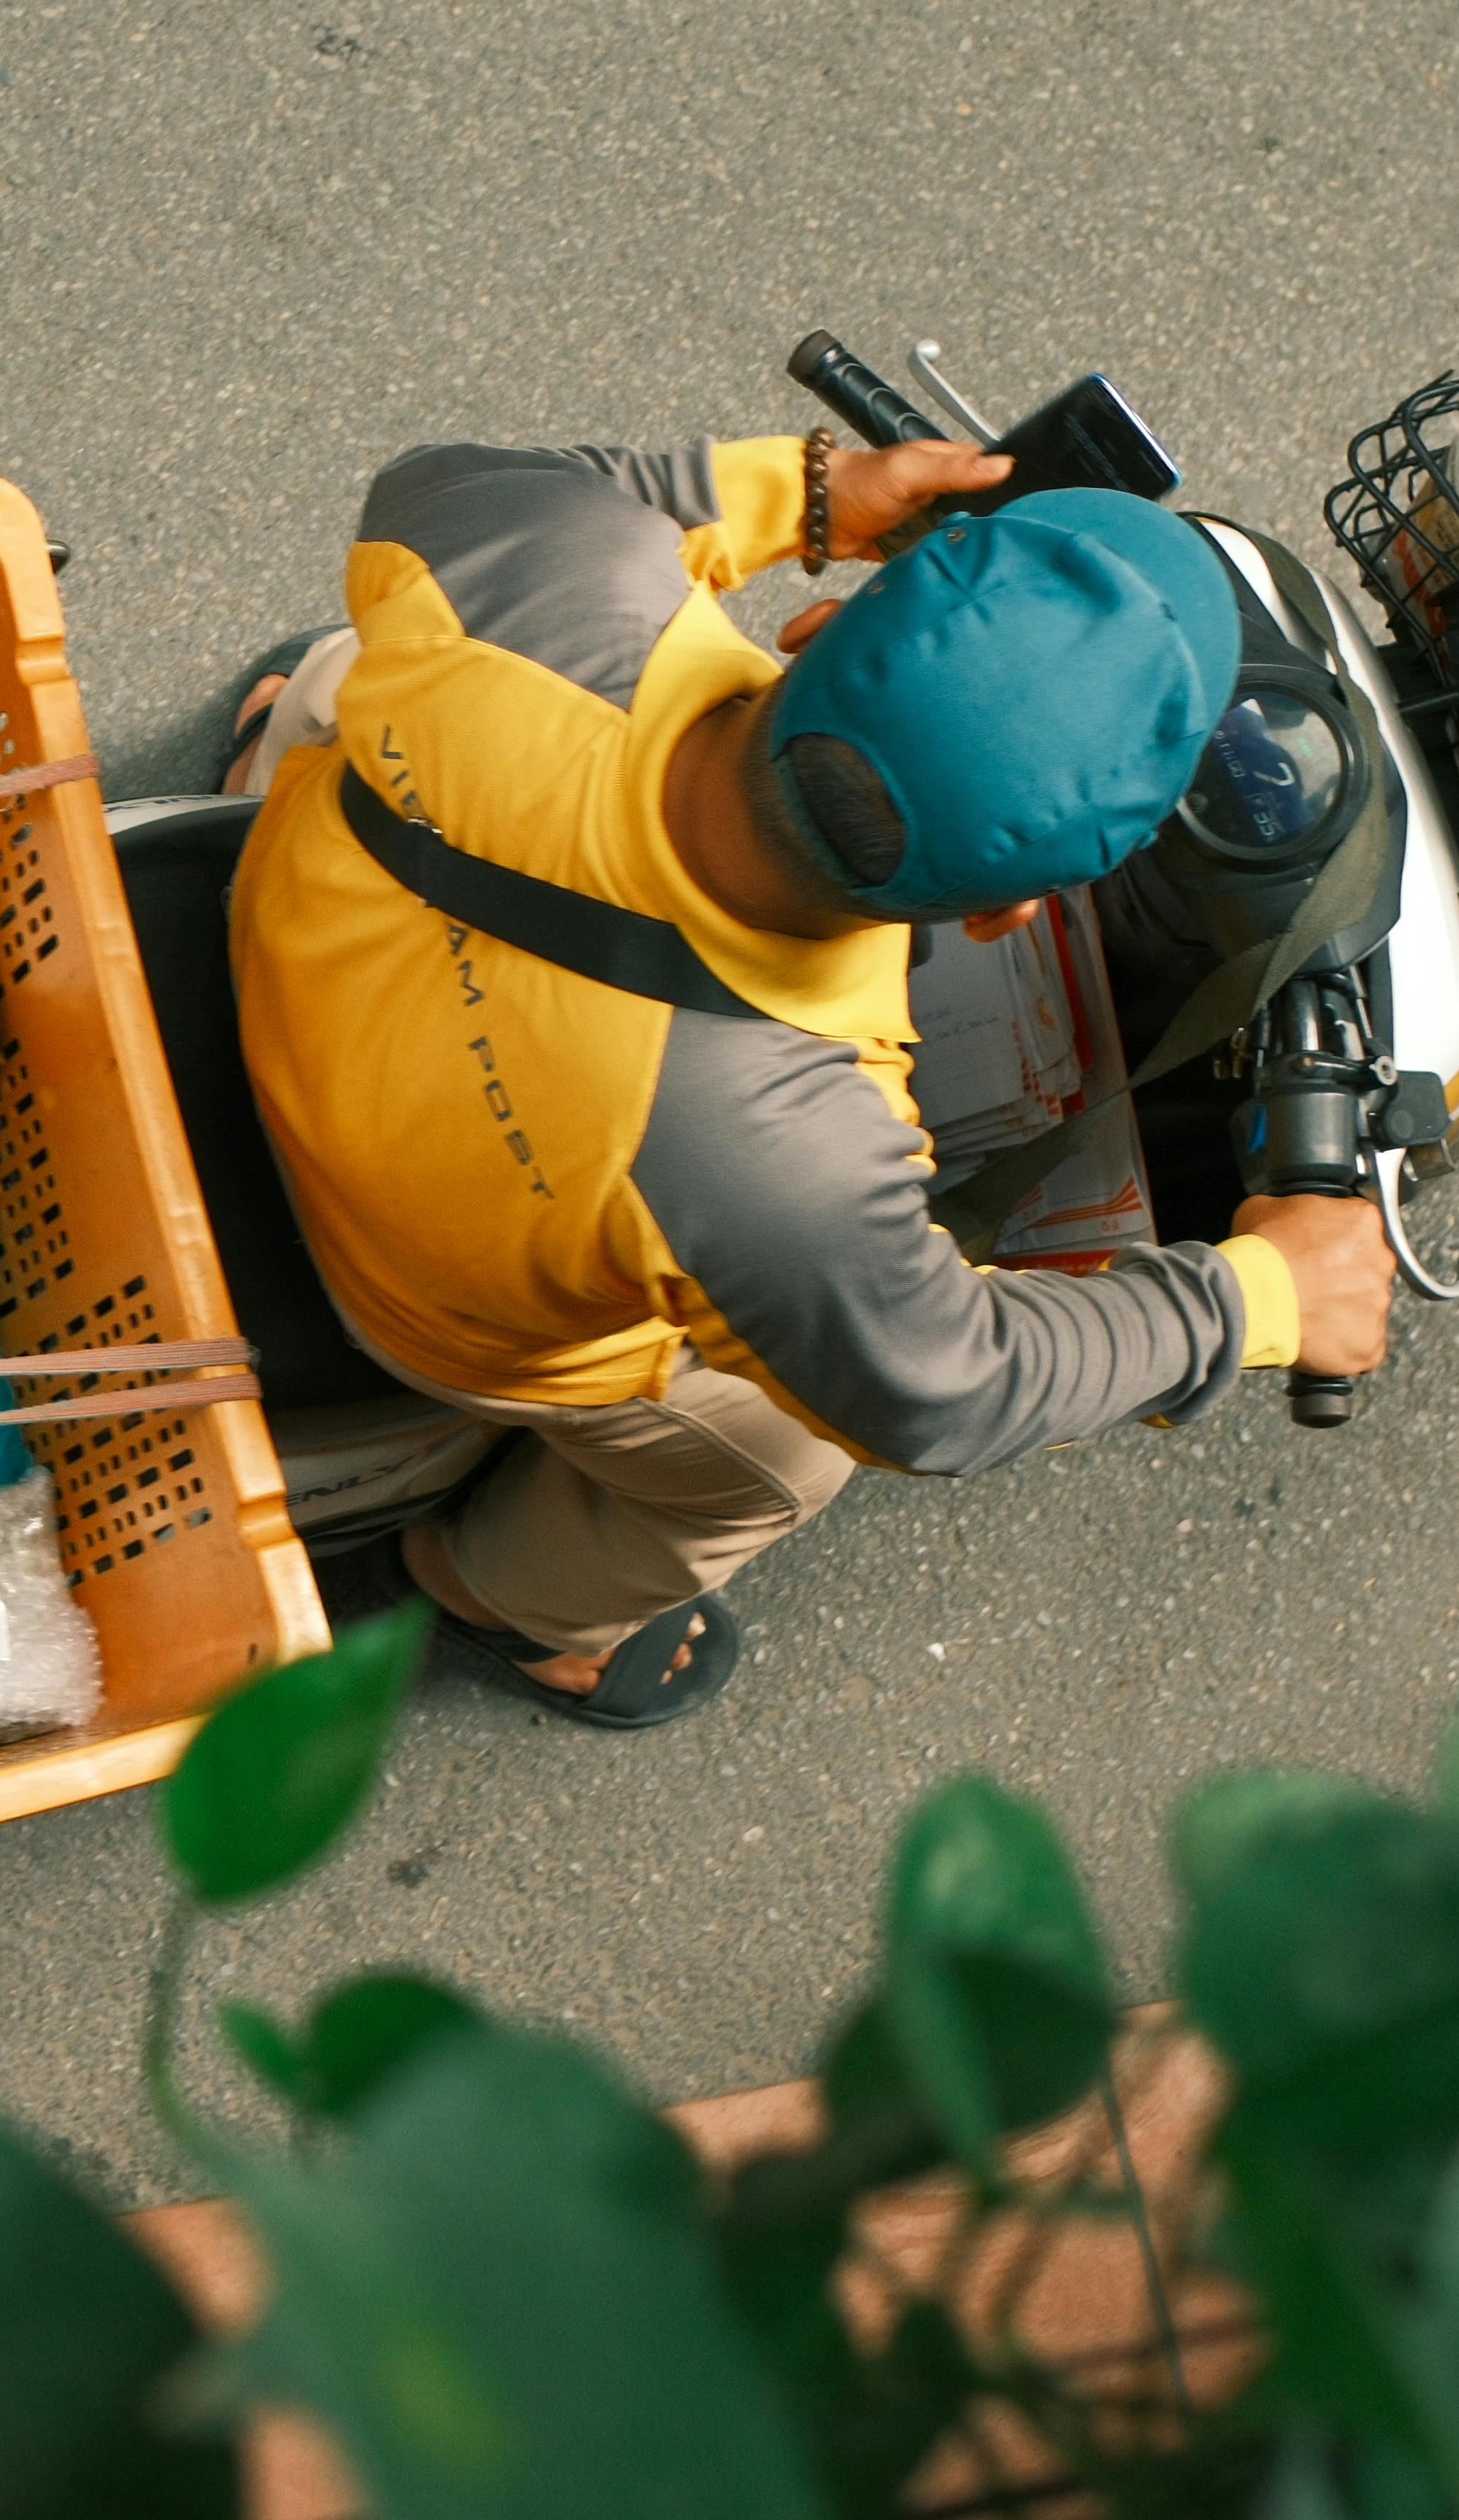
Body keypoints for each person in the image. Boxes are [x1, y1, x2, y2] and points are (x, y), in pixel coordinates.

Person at [224, 428, 1394, 1728]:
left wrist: (812, 491)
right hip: (410, 1297)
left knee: (361, 670)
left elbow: (433, 483)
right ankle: (502, 1597)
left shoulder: (544, 575)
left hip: (278, 933)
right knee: (783, 1462)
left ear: (814, 631)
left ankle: (263, 748)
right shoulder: (785, 1165)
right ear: (1018, 913)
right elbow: (941, 1390)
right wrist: (1258, 1299)